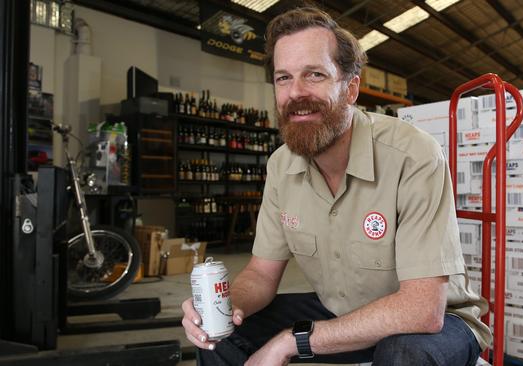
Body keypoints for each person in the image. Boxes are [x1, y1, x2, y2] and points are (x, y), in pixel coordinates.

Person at [182, 6, 491, 366]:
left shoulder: (412, 155)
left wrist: (291, 341)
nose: (296, 93)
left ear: (350, 89)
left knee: (405, 353)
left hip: (438, 323)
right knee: (220, 336)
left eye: (314, 75)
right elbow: (261, 274)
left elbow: (423, 309)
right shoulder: (281, 166)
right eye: (283, 78)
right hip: (341, 313)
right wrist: (225, 305)